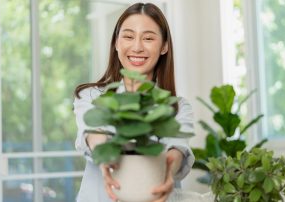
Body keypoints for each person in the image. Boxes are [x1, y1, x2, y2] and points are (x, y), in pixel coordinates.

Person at [73, 3, 195, 202]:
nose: (137, 47)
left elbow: (178, 148)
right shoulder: (90, 95)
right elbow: (92, 133)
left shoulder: (177, 106)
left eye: (148, 38)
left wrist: (169, 168)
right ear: (116, 43)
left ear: (164, 46)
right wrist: (105, 156)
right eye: (128, 36)